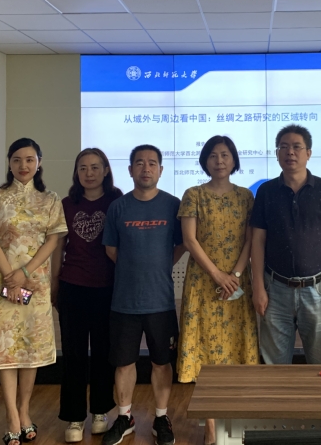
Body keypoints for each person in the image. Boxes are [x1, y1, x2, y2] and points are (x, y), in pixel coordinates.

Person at [0, 138, 68, 445]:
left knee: (30, 350)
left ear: (39, 163)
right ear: (9, 163)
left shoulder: (50, 199)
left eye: (30, 159)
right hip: (0, 284)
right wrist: (9, 276)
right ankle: (11, 416)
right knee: (7, 350)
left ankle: (25, 411)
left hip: (35, 283)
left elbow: (53, 240)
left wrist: (24, 273)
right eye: (17, 160)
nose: (23, 165)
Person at [101, 145, 185, 445]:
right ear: (130, 170)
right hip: (124, 302)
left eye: (152, 163)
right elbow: (111, 249)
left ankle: (161, 417)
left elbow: (181, 245)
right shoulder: (118, 207)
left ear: (160, 170)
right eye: (139, 163)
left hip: (160, 301)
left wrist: (158, 266)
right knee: (124, 363)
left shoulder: (173, 205)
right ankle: (125, 417)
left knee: (162, 362)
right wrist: (133, 268)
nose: (146, 168)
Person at [177, 135, 259, 445]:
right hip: (203, 283)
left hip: (237, 284)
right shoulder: (193, 194)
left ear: (234, 160)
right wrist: (218, 275)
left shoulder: (246, 196)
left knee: (236, 350)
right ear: (205, 161)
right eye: (213, 155)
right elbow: (189, 240)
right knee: (205, 353)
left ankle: (234, 419)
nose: (219, 160)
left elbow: (250, 240)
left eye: (225, 155)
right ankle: (210, 426)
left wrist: (234, 274)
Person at [250, 124, 321, 365]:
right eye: (283, 147)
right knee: (274, 365)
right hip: (275, 290)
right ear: (277, 153)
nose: (290, 152)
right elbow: (258, 240)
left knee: (319, 363)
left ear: (308, 153)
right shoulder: (266, 191)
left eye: (296, 147)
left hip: (317, 290)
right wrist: (258, 287)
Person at [52, 148, 123, 443]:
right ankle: (74, 416)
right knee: (74, 355)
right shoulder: (67, 204)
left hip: (108, 287)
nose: (89, 173)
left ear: (105, 170)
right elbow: (58, 247)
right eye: (83, 168)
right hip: (73, 286)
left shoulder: (117, 201)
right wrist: (54, 284)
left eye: (95, 167)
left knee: (105, 353)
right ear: (76, 172)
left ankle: (100, 411)